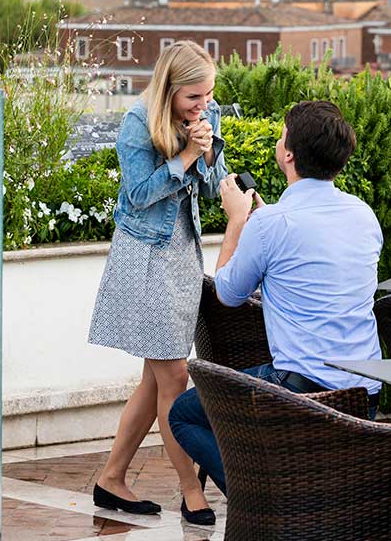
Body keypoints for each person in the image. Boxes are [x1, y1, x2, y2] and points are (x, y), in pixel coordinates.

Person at [169, 99, 383, 495]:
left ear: (287, 154)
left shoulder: (271, 224)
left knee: (182, 416)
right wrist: (263, 229)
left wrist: (238, 221)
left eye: (283, 132)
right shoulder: (363, 215)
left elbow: (229, 294)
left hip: (299, 394)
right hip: (363, 398)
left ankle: (266, 500)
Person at [88, 40, 226, 526]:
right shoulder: (135, 122)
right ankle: (190, 490)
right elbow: (140, 194)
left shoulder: (206, 119)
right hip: (145, 258)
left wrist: (207, 155)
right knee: (173, 377)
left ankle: (111, 478)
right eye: (194, 97)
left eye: (208, 95)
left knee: (155, 377)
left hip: (182, 258)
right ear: (169, 89)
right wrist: (188, 154)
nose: (203, 105)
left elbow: (210, 189)